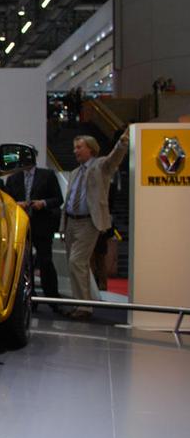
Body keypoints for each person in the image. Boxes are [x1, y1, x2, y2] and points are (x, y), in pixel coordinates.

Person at [62, 133, 131, 319]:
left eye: (79, 147)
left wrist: (122, 143)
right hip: (71, 222)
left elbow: (114, 158)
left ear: (91, 149)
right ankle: (80, 304)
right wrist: (63, 225)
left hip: (88, 222)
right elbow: (69, 200)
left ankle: (84, 307)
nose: (75, 151)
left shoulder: (100, 166)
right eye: (74, 147)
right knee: (75, 265)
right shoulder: (75, 172)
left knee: (76, 262)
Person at [3, 147, 63, 308]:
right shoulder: (13, 179)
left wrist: (43, 203)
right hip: (21, 227)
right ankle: (29, 299)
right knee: (24, 263)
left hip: (42, 226)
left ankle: (53, 299)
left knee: (46, 262)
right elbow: (7, 202)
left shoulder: (47, 175)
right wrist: (17, 204)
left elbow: (58, 199)